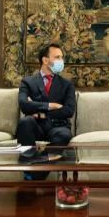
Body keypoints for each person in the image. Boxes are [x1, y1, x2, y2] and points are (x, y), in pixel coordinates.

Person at [16, 43, 76, 179]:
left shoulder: (67, 85)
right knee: (25, 122)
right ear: (45, 60)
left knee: (65, 135)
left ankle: (34, 173)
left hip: (58, 126)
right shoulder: (28, 82)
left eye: (62, 57)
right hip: (35, 126)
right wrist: (51, 105)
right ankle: (29, 164)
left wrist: (38, 110)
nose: (61, 61)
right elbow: (24, 105)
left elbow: (69, 110)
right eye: (57, 57)